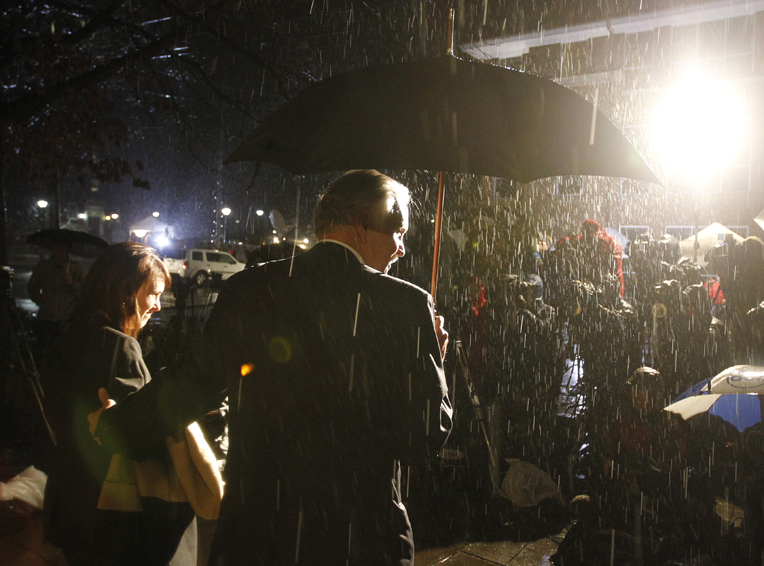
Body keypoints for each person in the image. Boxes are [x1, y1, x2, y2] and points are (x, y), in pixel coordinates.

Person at [96, 170, 453, 565]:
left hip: (260, 533)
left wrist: (117, 429)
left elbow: (191, 385)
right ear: (362, 222)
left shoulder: (249, 289)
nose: (401, 248)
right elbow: (422, 435)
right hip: (357, 536)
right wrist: (433, 360)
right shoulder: (404, 305)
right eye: (398, 231)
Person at [42, 242, 202, 566]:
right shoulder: (121, 346)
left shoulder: (68, 333)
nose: (158, 306)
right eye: (153, 294)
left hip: (69, 493)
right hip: (112, 510)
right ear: (125, 290)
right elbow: (141, 439)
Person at [27, 240, 86, 347]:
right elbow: (32, 287)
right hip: (46, 317)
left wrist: (71, 282)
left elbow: (85, 291)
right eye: (56, 248)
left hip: (67, 318)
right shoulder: (44, 267)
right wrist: (40, 301)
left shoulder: (76, 268)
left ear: (68, 251)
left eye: (63, 249)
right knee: (46, 347)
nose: (59, 252)